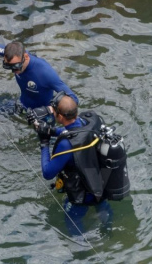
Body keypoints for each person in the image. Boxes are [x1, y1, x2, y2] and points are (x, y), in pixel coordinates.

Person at [36, 93, 130, 237]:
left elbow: (48, 173)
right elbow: (75, 130)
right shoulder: (91, 122)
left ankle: (81, 250)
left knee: (72, 220)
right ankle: (108, 232)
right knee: (102, 206)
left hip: (82, 194)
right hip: (101, 184)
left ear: (60, 117)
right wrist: (51, 131)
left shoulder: (66, 145)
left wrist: (44, 142)